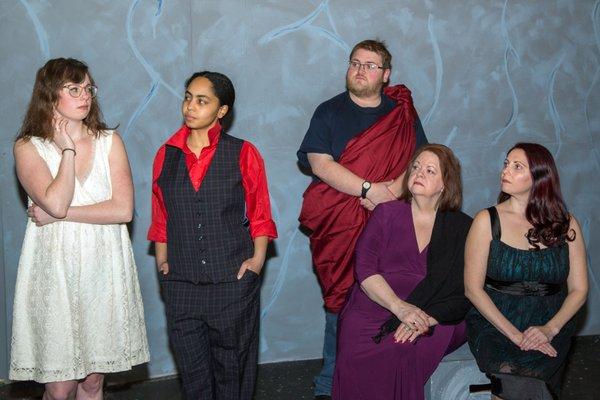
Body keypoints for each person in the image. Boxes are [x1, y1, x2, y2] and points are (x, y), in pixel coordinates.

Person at [10, 58, 149, 399]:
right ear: (49, 95)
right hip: (54, 273)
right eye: (73, 89)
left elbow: (122, 209)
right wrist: (68, 149)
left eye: (88, 88)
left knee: (92, 381)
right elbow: (54, 201)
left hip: (102, 271)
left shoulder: (109, 141)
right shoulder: (28, 147)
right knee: (59, 387)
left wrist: (62, 215)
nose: (84, 96)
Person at [297, 39, 428, 399]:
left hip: (389, 221)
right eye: (355, 63)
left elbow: (419, 162)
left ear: (386, 74)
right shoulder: (329, 112)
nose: (360, 70)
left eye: (370, 65)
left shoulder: (401, 115)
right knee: (339, 299)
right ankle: (330, 380)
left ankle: (380, 374)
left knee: (388, 293)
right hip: (338, 222)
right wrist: (370, 190)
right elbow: (319, 163)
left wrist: (388, 195)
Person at [148, 71, 277, 400]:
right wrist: (163, 262)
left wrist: (257, 261)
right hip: (181, 286)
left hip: (232, 283)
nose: (190, 106)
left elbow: (260, 212)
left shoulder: (243, 152)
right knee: (193, 378)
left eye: (202, 100)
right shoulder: (166, 154)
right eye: (188, 97)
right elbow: (160, 214)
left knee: (233, 373)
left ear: (222, 110)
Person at [331, 144, 472, 400]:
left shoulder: (460, 226)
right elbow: (364, 269)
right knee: (353, 351)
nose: (419, 173)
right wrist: (400, 307)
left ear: (444, 184)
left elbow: (462, 288)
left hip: (433, 310)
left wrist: (424, 318)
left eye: (430, 170)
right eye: (415, 167)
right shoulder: (386, 213)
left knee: (403, 350)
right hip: (375, 303)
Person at [465, 143, 588, 399]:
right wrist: (516, 336)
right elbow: (473, 290)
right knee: (511, 377)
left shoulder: (566, 224)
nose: (506, 170)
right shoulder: (486, 221)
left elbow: (579, 290)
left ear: (539, 178)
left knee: (534, 380)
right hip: (496, 322)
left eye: (517, 166)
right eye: (506, 163)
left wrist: (549, 329)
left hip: (551, 320)